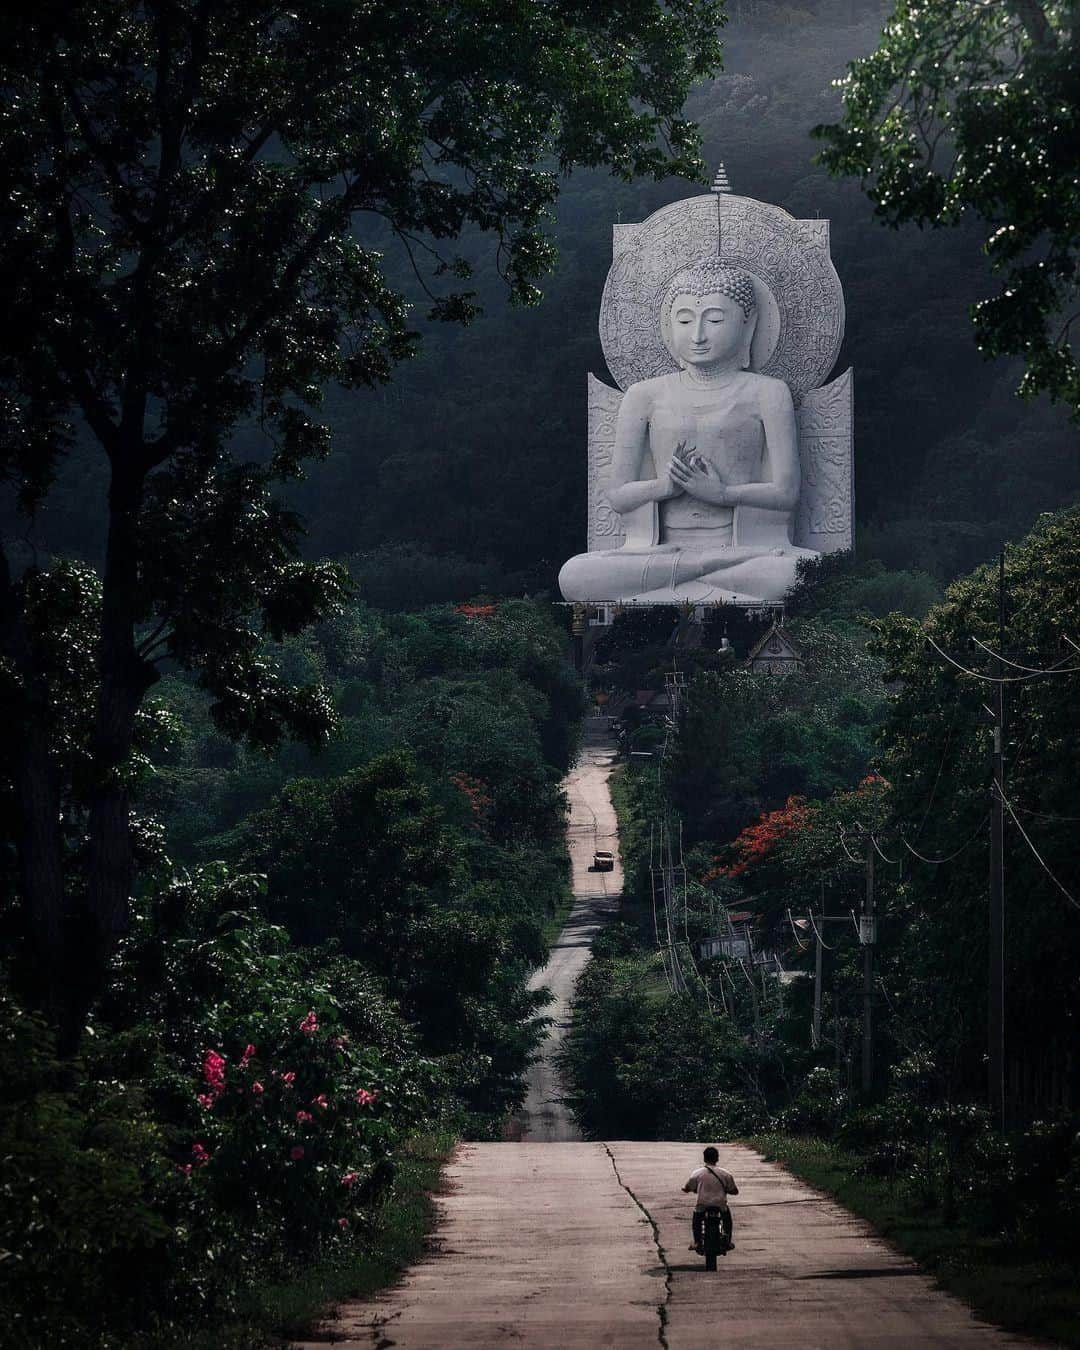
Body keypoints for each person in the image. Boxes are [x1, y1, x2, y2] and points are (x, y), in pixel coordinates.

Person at [558, 258, 817, 605]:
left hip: (745, 552)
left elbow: (786, 492)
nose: (697, 334)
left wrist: (723, 494)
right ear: (669, 326)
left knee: (803, 572)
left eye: (714, 319)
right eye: (684, 320)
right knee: (576, 575)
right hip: (659, 552)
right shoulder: (643, 396)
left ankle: (676, 587)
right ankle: (704, 582)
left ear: (748, 324)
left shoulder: (767, 393)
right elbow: (618, 494)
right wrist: (664, 487)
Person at [682, 1145, 738, 1253]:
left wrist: (686, 1189)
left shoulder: (696, 1173)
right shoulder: (725, 1174)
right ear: (717, 1158)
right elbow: (734, 1191)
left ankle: (697, 1242)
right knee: (727, 1220)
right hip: (720, 1204)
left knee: (696, 1220)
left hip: (702, 1204)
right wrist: (728, 1190)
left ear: (704, 1158)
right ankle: (727, 1240)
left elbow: (688, 1187)